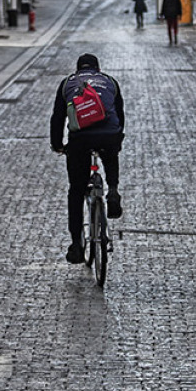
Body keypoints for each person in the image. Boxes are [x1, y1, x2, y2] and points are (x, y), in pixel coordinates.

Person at [50, 54, 125, 264]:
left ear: (77, 70)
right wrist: (117, 139)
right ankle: (113, 190)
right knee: (110, 152)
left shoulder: (67, 83)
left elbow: (58, 117)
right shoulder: (110, 82)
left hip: (80, 139)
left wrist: (58, 145)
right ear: (97, 69)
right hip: (109, 135)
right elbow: (120, 115)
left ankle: (77, 244)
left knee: (76, 190)